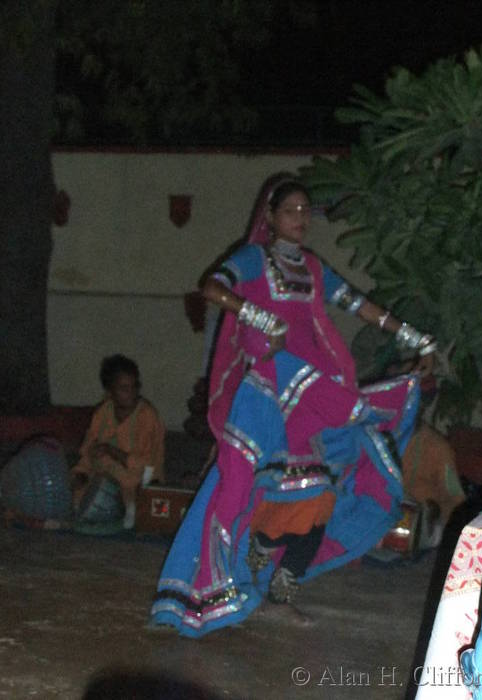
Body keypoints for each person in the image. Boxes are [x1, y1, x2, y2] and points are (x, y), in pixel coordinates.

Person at [150, 174, 436, 637]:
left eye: (306, 211)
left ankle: (280, 586)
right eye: (291, 211)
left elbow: (360, 305)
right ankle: (243, 569)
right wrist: (258, 315)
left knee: (321, 494)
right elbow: (212, 287)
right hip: (270, 392)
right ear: (270, 216)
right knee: (255, 490)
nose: (300, 219)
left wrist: (412, 336)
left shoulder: (313, 268)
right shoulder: (253, 259)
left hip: (316, 396)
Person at [71, 354, 165, 529]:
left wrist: (111, 451)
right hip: (105, 474)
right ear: (110, 392)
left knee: (129, 481)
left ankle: (130, 508)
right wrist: (82, 473)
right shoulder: (103, 413)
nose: (131, 393)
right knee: (78, 483)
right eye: (123, 388)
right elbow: (88, 452)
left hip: (138, 478)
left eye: (134, 387)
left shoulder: (146, 415)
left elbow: (146, 465)